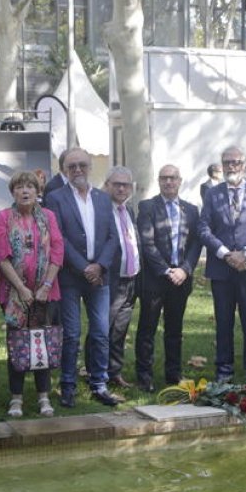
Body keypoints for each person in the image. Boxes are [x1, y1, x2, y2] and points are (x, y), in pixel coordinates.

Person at [46, 146, 122, 407]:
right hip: (70, 276)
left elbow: (112, 237)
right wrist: (84, 267)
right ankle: (68, 385)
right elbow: (58, 238)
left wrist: (99, 266)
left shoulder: (102, 198)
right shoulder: (55, 198)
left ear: (90, 167)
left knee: (100, 332)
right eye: (71, 166)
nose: (77, 170)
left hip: (100, 277)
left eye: (82, 165)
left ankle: (99, 383)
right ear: (63, 170)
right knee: (72, 333)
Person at [197, 146, 246, 384]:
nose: (231, 166)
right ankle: (224, 371)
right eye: (227, 162)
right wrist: (225, 254)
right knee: (223, 323)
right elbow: (203, 228)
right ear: (222, 165)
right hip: (221, 270)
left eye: (236, 162)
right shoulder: (212, 194)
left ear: (245, 165)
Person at [0, 171, 63, 417]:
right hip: (14, 293)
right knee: (18, 343)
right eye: (19, 187)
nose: (25, 191)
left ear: (37, 191)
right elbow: (1, 256)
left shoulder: (49, 217)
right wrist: (21, 289)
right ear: (13, 192)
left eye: (30, 187)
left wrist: (45, 286)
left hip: (46, 291)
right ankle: (16, 398)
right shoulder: (3, 217)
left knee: (42, 340)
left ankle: (44, 396)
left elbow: (57, 251)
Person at [135, 165, 202, 392]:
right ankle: (144, 376)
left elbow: (195, 243)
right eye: (164, 178)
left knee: (175, 329)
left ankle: (173, 374)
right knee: (147, 328)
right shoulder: (147, 207)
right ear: (159, 181)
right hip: (155, 278)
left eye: (173, 178)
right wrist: (166, 270)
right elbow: (147, 243)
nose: (168, 182)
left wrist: (185, 269)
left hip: (181, 279)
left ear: (180, 181)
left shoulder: (191, 210)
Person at [104, 166, 140, 389]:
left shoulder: (129, 210)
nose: (121, 188)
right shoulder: (102, 210)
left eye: (125, 185)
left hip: (131, 279)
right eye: (116, 184)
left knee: (120, 329)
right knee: (103, 328)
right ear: (107, 185)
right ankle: (96, 373)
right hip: (111, 279)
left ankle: (114, 372)